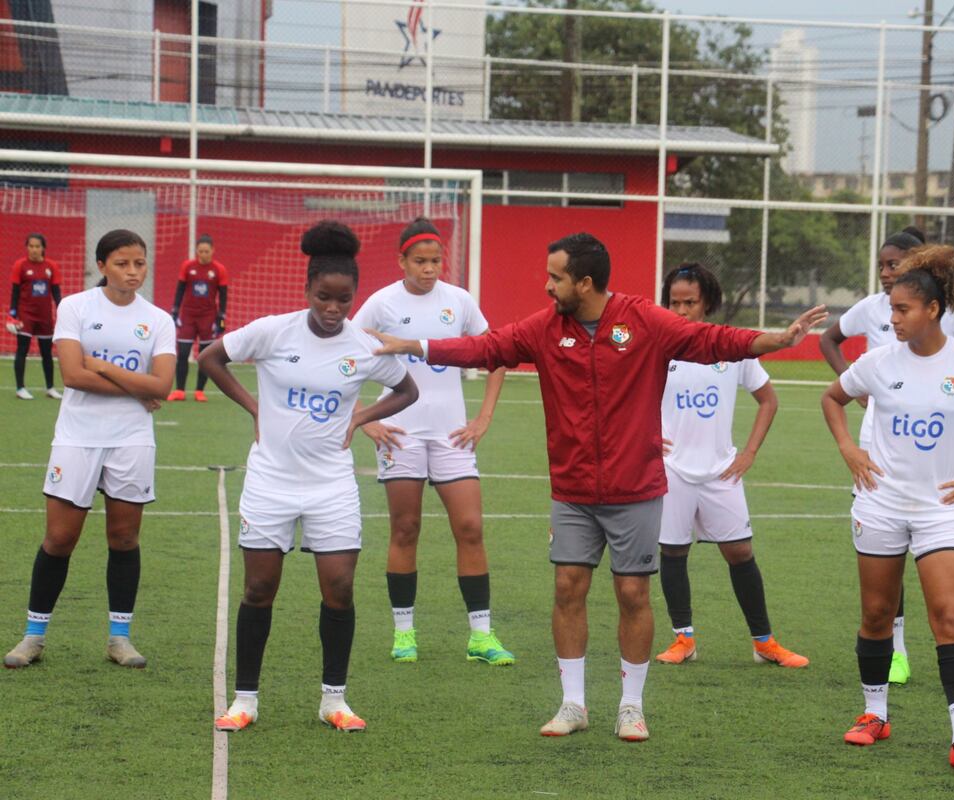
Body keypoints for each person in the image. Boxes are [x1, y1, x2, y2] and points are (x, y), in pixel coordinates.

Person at [366, 232, 827, 742]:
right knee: (568, 588)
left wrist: (778, 340)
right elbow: (486, 348)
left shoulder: (644, 320)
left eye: (555, 277)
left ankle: (631, 706)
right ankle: (573, 703)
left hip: (636, 487)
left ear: (584, 283)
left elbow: (714, 340)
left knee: (633, 593)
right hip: (573, 489)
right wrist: (417, 345)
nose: (546, 286)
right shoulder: (545, 329)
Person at [820, 243, 954, 771]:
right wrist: (851, 449)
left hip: (941, 509)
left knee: (950, 616)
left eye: (902, 309)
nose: (892, 318)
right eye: (891, 308)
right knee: (875, 614)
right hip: (881, 504)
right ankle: (875, 715)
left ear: (933, 310)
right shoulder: (877, 362)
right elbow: (831, 399)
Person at [200, 220, 418, 733]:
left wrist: (361, 418)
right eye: (324, 297)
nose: (333, 309)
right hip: (270, 480)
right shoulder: (273, 331)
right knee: (259, 588)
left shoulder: (364, 346)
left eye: (343, 300)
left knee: (339, 587)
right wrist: (254, 406)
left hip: (332, 485)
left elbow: (407, 390)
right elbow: (211, 358)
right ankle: (246, 700)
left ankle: (333, 700)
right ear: (308, 290)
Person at [4, 230, 175, 670]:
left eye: (139, 263)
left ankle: (120, 638)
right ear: (102, 265)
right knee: (60, 539)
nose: (133, 272)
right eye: (122, 263)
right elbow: (73, 377)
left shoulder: (157, 320)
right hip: (77, 435)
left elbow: (162, 386)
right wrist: (132, 384)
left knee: (123, 538)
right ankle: (33, 636)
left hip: (132, 438)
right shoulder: (76, 307)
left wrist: (101, 365)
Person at [353, 217, 513, 666]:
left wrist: (482, 417)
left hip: (452, 437)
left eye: (436, 261)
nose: (429, 269)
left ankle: (481, 636)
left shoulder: (459, 301)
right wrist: (366, 421)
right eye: (419, 261)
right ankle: (404, 633)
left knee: (470, 528)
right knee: (406, 530)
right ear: (401, 260)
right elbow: (339, 359)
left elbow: (497, 353)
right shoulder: (381, 303)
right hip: (400, 435)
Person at [653, 264, 808, 669]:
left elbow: (768, 400)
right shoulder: (657, 348)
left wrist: (749, 453)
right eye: (674, 302)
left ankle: (764, 642)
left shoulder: (729, 348)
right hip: (671, 469)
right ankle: (683, 639)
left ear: (707, 303)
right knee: (673, 550)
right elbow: (628, 399)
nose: (682, 310)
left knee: (740, 552)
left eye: (690, 302)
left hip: (722, 470)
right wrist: (648, 438)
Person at [168, 234, 229, 402]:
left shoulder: (219, 269)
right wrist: (175, 311)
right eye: (200, 251)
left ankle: (199, 391)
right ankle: (179, 390)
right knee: (183, 353)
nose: (203, 254)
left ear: (212, 251)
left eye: (206, 251)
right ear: (196, 251)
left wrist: (221, 318)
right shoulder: (187, 267)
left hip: (208, 317)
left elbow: (223, 296)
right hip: (188, 315)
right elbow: (180, 290)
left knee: (204, 356)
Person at [8, 233, 64, 400]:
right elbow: (15, 293)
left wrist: (63, 312)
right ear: (27, 247)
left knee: (47, 352)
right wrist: (12, 316)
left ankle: (50, 388)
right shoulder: (20, 265)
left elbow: (56, 293)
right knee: (22, 350)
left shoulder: (51, 266)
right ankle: (20, 388)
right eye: (31, 246)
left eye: (37, 246)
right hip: (25, 315)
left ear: (43, 248)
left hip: (45, 316)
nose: (33, 249)